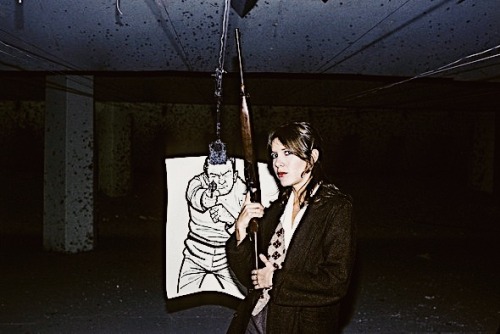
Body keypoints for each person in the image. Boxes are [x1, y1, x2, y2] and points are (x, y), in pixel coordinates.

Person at [226, 121, 356, 333]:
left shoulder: (335, 208)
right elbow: (251, 276)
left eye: (287, 153)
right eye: (275, 155)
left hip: (300, 325)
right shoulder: (277, 209)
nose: (278, 163)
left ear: (311, 158)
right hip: (259, 317)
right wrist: (240, 230)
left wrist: (276, 280)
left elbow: (335, 282)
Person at [177, 156, 247, 296]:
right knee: (182, 294)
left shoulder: (241, 189)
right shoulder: (197, 183)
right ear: (206, 176)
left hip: (227, 257)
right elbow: (196, 196)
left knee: (244, 298)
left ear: (234, 175)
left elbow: (247, 225)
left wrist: (229, 218)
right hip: (195, 253)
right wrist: (206, 198)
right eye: (214, 175)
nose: (220, 181)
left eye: (225, 174)